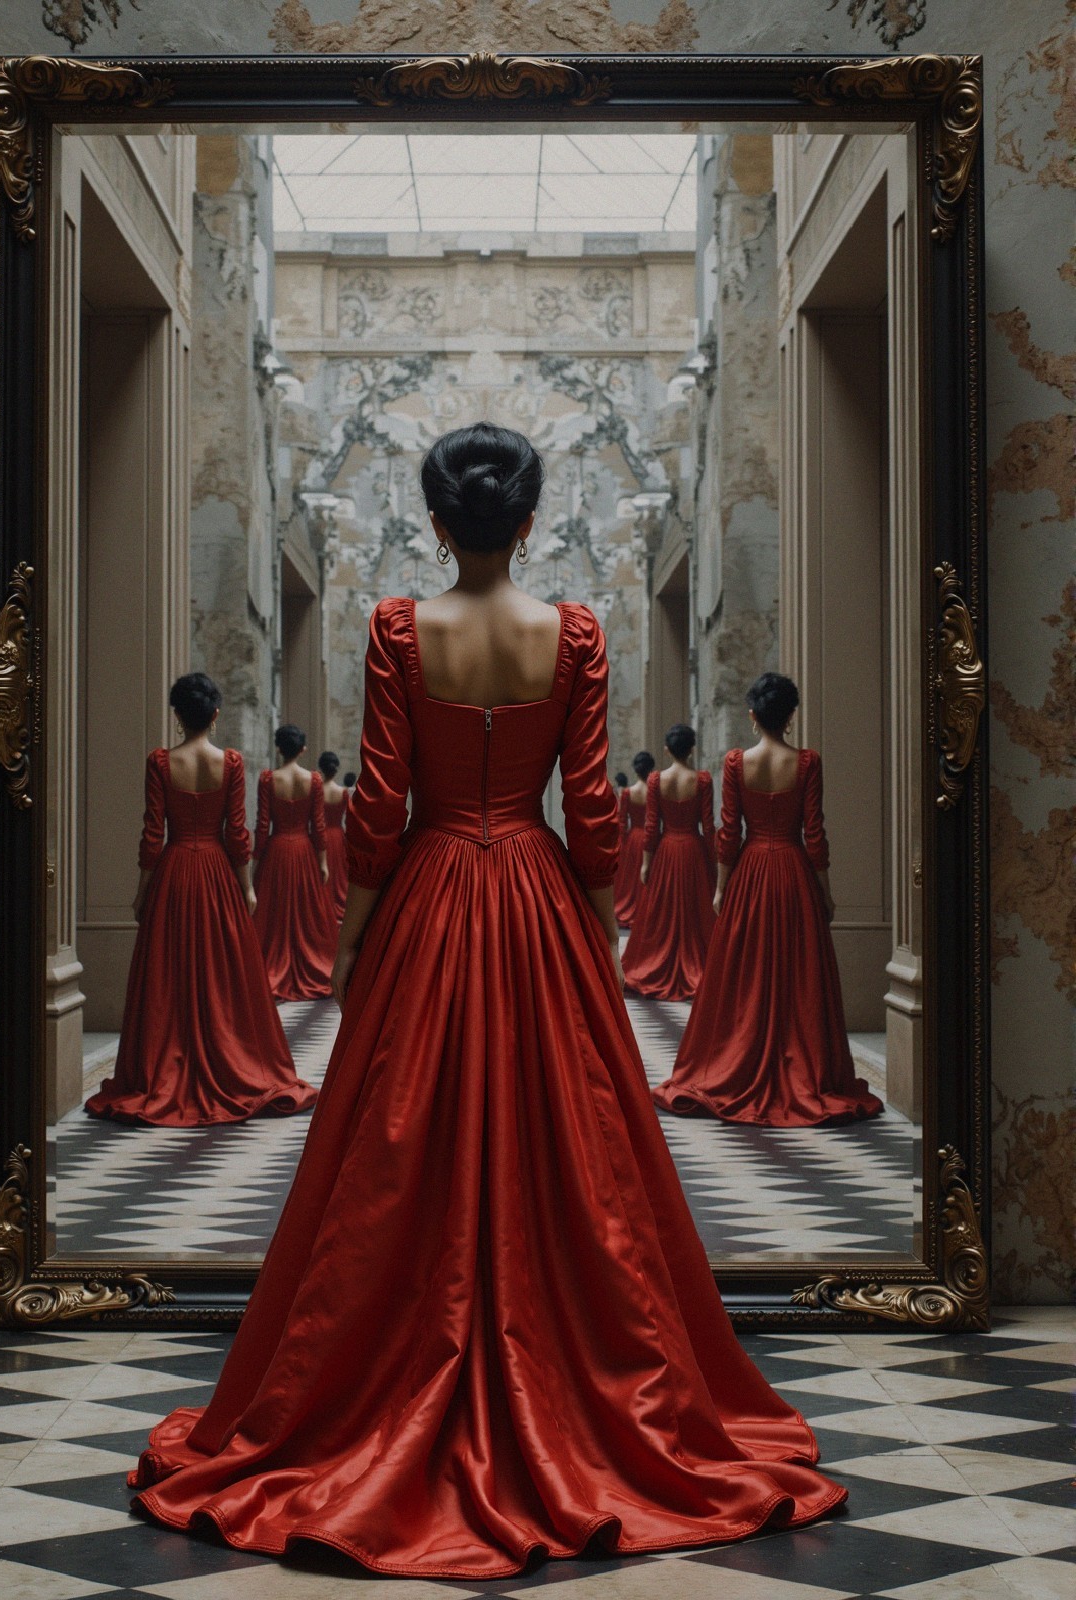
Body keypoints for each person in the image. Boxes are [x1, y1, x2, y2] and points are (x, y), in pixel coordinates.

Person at [128, 424, 845, 1578]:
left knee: (391, 1154)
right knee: (576, 1149)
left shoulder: (400, 628)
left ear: (434, 521)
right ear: (527, 521)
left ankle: (387, 1370)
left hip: (427, 896)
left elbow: (382, 807)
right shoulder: (571, 632)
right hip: (537, 896)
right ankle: (575, 1375)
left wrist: (352, 945)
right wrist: (608, 931)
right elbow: (590, 809)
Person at [653, 673, 884, 1126]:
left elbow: (728, 831)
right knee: (799, 971)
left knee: (747, 969)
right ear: (791, 716)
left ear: (754, 715)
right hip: (795, 872)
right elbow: (814, 833)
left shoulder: (738, 763)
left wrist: (722, 885)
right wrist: (826, 890)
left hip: (752, 874)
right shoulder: (808, 762)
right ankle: (801, 1062)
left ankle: (744, 1052)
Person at [84, 675, 316, 1126]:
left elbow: (153, 834)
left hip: (173, 872)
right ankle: (224, 1052)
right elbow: (237, 832)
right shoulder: (230, 762)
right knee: (222, 968)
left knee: (168, 971)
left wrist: (141, 890)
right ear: (214, 714)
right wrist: (246, 885)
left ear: (177, 715)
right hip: (215, 874)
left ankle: (166, 1062)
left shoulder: (159, 762)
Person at [622, 723, 715, 1001]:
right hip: (693, 850)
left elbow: (652, 826)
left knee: (662, 911)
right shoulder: (702, 780)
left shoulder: (655, 780)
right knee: (694, 910)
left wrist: (646, 863)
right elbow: (709, 827)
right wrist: (715, 861)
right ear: (691, 749)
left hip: (665, 851)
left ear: (667, 750)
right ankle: (697, 964)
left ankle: (657, 960)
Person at [253, 725, 336, 1002]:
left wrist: (257, 860)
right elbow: (319, 825)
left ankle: (272, 965)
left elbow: (262, 825)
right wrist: (322, 861)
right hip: (303, 851)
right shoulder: (313, 780)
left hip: (276, 850)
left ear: (278, 748)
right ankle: (307, 961)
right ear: (302, 749)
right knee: (304, 910)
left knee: (274, 911)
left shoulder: (267, 780)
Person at [613, 749, 654, 928]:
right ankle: (645, 909)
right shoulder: (654, 792)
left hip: (633, 837)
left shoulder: (628, 793)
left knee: (631, 878)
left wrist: (620, 842)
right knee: (647, 875)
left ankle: (630, 907)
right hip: (650, 837)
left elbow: (622, 822)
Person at [317, 750, 350, 921]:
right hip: (338, 835)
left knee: (322, 872)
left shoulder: (317, 791)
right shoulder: (342, 792)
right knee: (339, 874)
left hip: (321, 835)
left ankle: (323, 904)